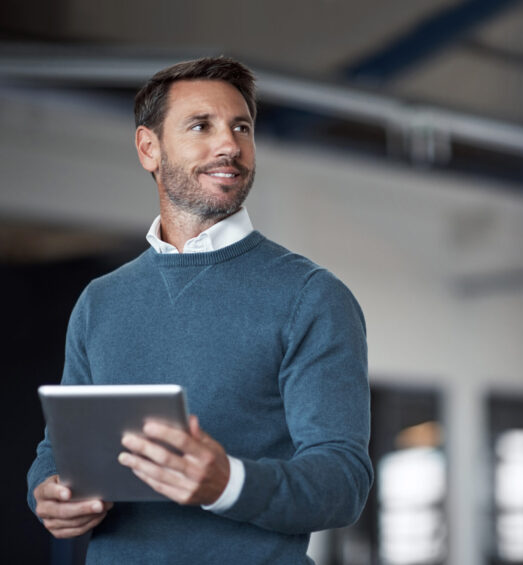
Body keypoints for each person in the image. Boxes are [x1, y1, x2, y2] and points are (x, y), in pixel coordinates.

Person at [27, 57, 373, 564]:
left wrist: (227, 483)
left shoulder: (311, 296)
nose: (229, 145)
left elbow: (343, 482)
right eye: (200, 126)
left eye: (241, 127)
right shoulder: (100, 301)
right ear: (149, 148)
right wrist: (49, 494)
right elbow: (58, 447)